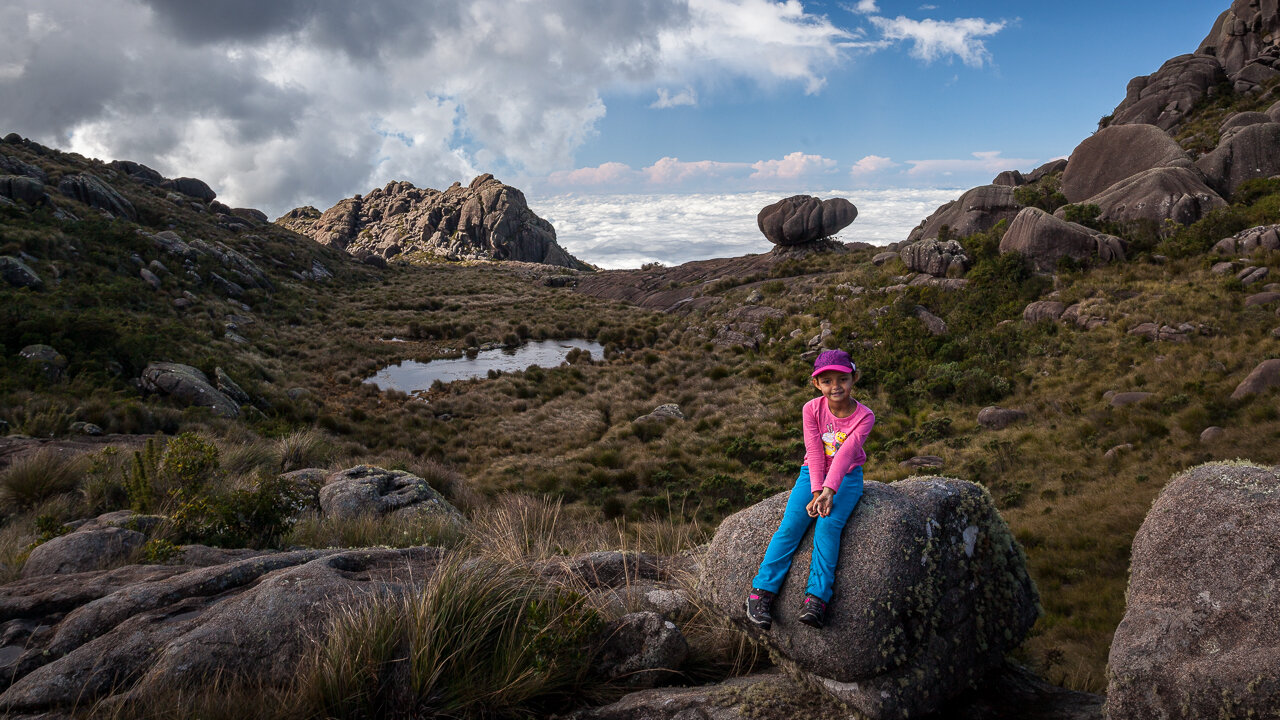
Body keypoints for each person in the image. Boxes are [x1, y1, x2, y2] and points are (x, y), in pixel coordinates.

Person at [745, 348, 875, 629]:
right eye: (826, 381)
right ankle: (761, 593)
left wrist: (830, 491)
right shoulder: (811, 409)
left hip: (847, 477)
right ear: (817, 384)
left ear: (854, 378)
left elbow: (846, 455)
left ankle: (817, 598)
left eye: (842, 379)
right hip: (811, 474)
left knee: (828, 527)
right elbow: (814, 451)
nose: (835, 386)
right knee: (791, 526)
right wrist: (817, 490)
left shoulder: (864, 416)